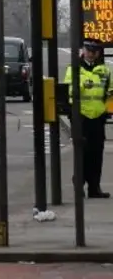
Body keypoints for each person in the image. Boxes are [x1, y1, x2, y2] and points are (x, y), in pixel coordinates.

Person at [64, 38, 111, 198]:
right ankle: (79, 183)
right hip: (81, 116)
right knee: (82, 152)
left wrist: (107, 111)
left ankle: (94, 187)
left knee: (96, 153)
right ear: (83, 51)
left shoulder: (105, 70)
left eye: (94, 51)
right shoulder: (74, 69)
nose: (91, 54)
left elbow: (109, 92)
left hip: (98, 117)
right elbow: (69, 93)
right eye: (89, 50)